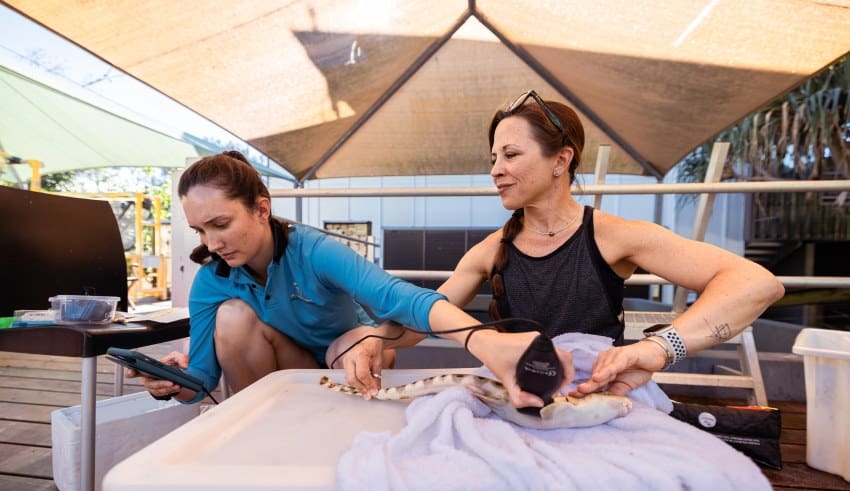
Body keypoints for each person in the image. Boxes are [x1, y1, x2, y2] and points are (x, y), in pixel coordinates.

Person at [342, 90, 784, 401]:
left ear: (562, 159)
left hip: (599, 393)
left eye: (511, 155)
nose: (495, 169)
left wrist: (655, 349)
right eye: (493, 158)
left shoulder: (614, 235)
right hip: (517, 393)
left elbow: (755, 284)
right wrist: (375, 338)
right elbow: (424, 321)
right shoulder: (488, 251)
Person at [133, 150, 569, 407]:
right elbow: (204, 382)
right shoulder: (214, 280)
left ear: (261, 209)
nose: (212, 244)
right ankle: (266, 429)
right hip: (282, 367)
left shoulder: (314, 250)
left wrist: (488, 343)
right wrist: (172, 384)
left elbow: (400, 298)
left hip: (351, 355)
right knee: (231, 317)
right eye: (200, 231)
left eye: (221, 224)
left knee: (353, 341)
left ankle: (336, 424)